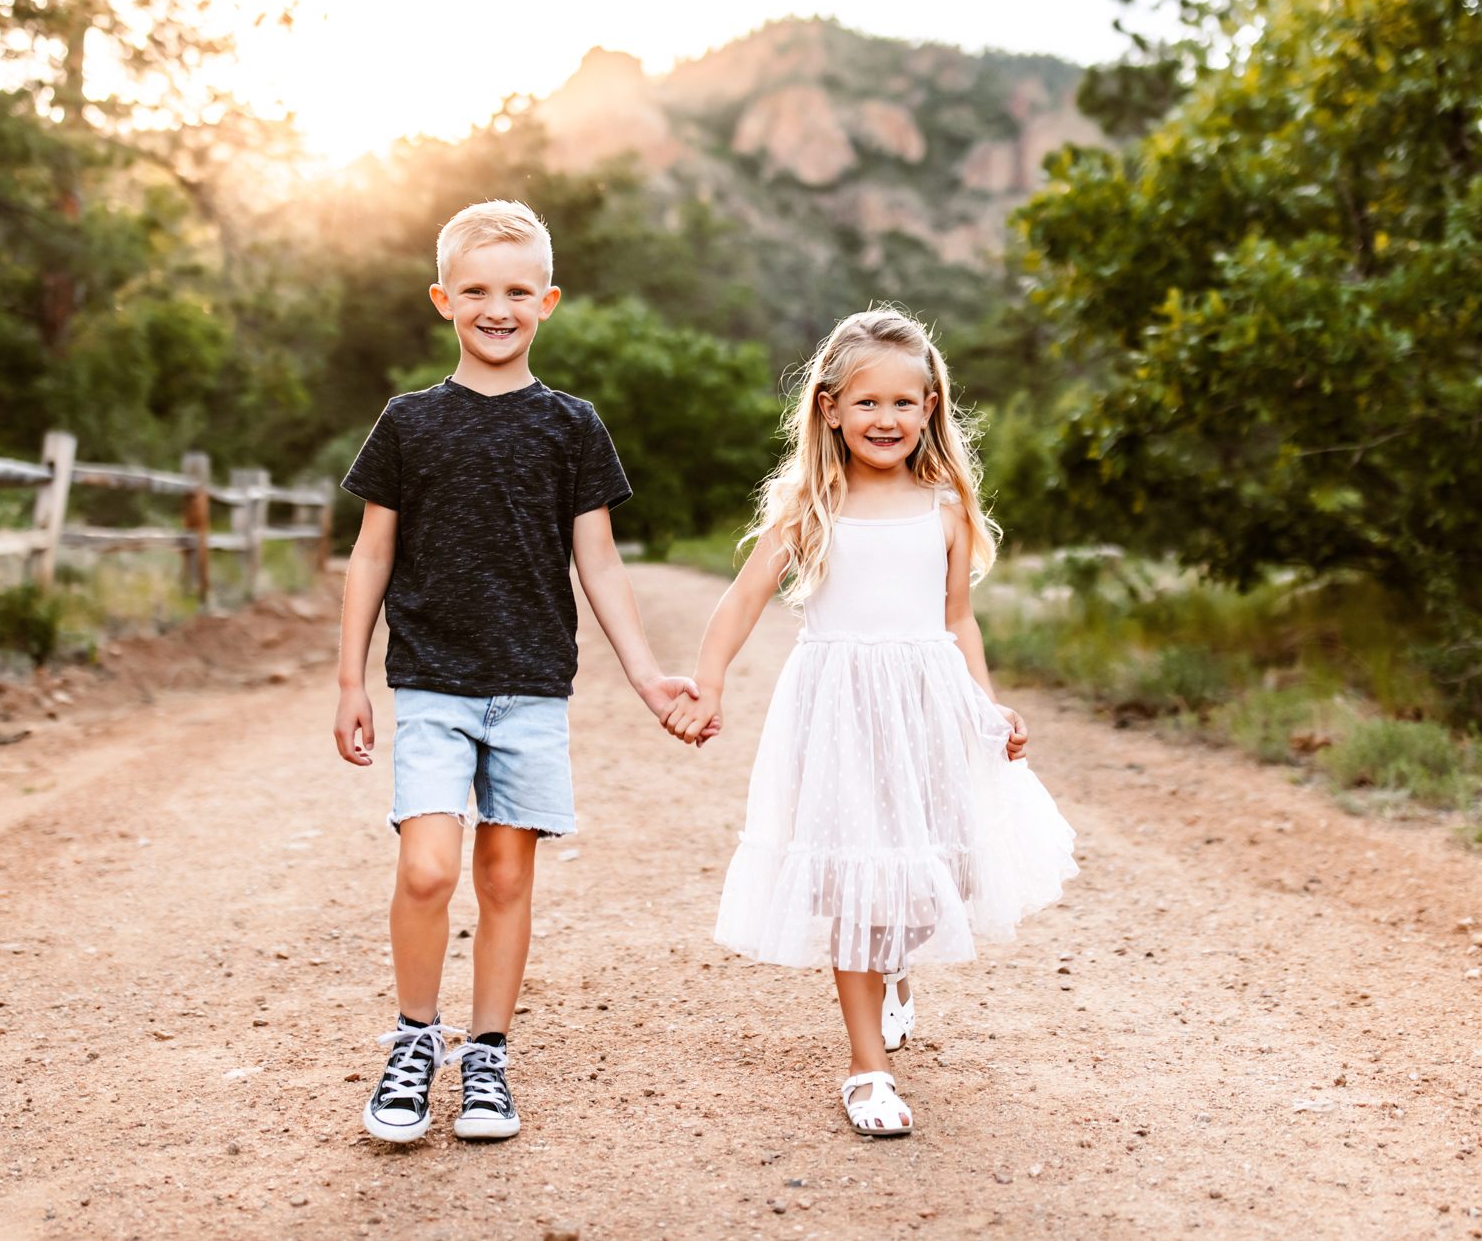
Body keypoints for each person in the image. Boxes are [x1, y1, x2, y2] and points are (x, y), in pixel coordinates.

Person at [333, 199, 699, 1144]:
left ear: (548, 301)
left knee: (503, 878)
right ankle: (416, 1040)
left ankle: (486, 1056)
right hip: (432, 682)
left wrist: (649, 677)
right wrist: (349, 681)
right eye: (478, 291)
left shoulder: (572, 426)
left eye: (518, 291)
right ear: (443, 298)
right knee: (427, 869)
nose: (498, 308)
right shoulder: (409, 423)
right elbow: (371, 555)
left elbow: (601, 564)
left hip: (533, 687)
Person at [663, 307, 1076, 1137]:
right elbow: (743, 600)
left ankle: (895, 966)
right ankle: (867, 1073)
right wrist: (707, 685)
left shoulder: (945, 507)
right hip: (840, 706)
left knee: (933, 880)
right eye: (866, 404)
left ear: (930, 409)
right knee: (854, 880)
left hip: (927, 703)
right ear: (829, 408)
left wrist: (985, 708)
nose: (885, 420)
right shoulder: (810, 506)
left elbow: (959, 620)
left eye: (903, 403)